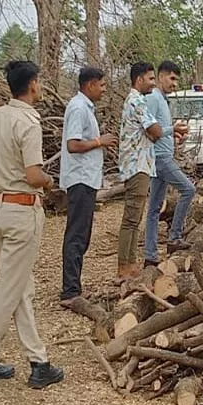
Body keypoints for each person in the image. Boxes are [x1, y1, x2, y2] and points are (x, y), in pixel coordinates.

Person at [0, 60, 64, 389]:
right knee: (9, 289)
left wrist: (4, 179)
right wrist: (53, 183)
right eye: (39, 82)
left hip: (1, 208)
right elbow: (34, 175)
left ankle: (39, 362)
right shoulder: (28, 122)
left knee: (21, 287)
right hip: (24, 211)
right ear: (33, 84)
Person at [60, 67, 116, 306]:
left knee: (83, 234)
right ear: (90, 84)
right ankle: (69, 290)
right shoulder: (78, 108)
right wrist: (98, 141)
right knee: (77, 234)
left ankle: (74, 286)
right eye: (102, 85)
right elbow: (72, 144)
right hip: (79, 179)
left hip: (88, 179)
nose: (104, 90)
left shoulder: (86, 109)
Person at [144, 60, 195, 265]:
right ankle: (174, 237)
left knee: (155, 208)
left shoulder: (163, 100)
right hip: (160, 158)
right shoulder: (154, 98)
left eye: (177, 80)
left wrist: (174, 136)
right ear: (161, 77)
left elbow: (160, 131)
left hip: (163, 155)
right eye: (172, 79)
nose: (174, 84)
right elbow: (149, 130)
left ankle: (150, 255)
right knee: (189, 189)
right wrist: (172, 130)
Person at [117, 62, 162, 278]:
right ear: (139, 79)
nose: (153, 82)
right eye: (151, 78)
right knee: (131, 219)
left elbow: (153, 132)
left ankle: (129, 263)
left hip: (139, 164)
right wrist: (155, 132)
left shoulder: (135, 101)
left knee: (134, 219)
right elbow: (156, 130)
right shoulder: (137, 102)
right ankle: (124, 266)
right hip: (137, 166)